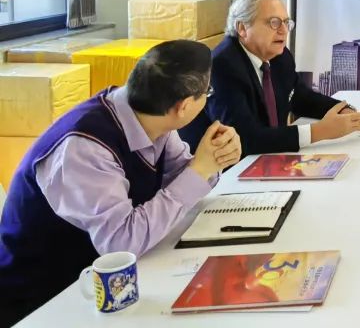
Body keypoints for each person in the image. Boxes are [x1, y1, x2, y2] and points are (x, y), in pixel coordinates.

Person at [0, 40, 241, 326]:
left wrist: (214, 159)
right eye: (207, 93)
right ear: (184, 106)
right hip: (43, 302)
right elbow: (121, 242)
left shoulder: (150, 116)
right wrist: (200, 169)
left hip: (103, 287)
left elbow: (182, 176)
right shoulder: (85, 148)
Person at [179, 0, 360, 156]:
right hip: (224, 172)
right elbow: (244, 138)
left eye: (286, 23)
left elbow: (301, 97)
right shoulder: (221, 66)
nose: (284, 31)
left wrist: (344, 111)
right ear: (242, 28)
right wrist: (320, 131)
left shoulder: (280, 55)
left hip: (267, 158)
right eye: (274, 23)